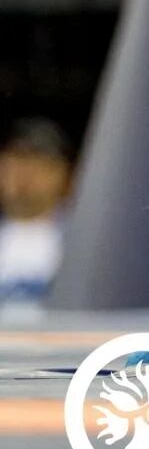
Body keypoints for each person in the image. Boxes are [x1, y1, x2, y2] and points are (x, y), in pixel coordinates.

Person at [0, 120, 72, 311]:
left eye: (37, 164)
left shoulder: (84, 240)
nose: (23, 176)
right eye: (15, 163)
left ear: (63, 173)